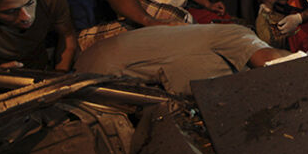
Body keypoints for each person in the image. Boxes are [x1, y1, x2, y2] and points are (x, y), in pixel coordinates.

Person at [75, 24, 293, 95]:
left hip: (89, 60)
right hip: (101, 75)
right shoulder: (238, 33)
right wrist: (302, 61)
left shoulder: (203, 34)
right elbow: (270, 60)